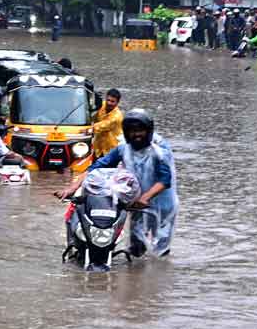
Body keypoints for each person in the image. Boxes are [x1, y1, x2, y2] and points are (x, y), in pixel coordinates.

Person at [55, 109, 178, 256]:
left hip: (162, 204)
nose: (136, 135)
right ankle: (135, 275)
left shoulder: (159, 150)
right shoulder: (123, 149)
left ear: (149, 130)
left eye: (140, 131)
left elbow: (165, 180)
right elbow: (95, 168)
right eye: (132, 131)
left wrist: (145, 198)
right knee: (136, 247)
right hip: (136, 204)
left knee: (161, 248)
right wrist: (72, 188)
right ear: (126, 132)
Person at [91, 88, 123, 157]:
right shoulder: (102, 105)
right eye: (108, 100)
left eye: (112, 101)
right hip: (98, 147)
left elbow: (97, 127)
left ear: (117, 103)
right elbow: (93, 116)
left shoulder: (116, 117)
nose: (109, 103)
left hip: (111, 150)